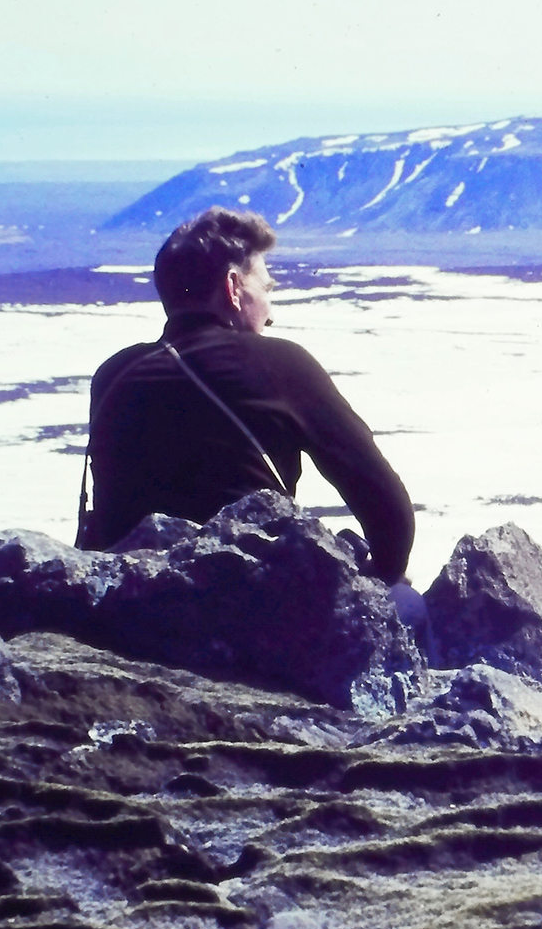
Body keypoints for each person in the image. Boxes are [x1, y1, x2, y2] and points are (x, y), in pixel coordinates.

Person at [81, 206, 431, 649]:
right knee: (409, 608)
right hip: (249, 615)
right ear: (232, 288)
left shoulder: (114, 374)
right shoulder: (280, 364)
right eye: (266, 288)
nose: (271, 314)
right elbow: (386, 506)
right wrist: (384, 572)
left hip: (133, 613)